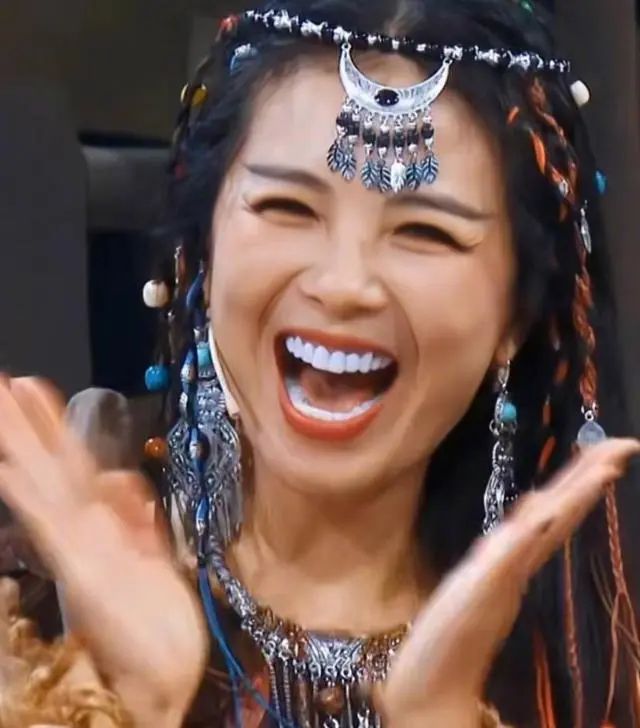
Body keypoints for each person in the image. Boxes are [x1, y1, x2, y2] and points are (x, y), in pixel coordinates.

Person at [0, 0, 639, 726]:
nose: (343, 284)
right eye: (288, 208)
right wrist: (132, 702)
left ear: (515, 316)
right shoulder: (30, 631)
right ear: (202, 252)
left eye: (426, 232)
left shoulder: (591, 674)